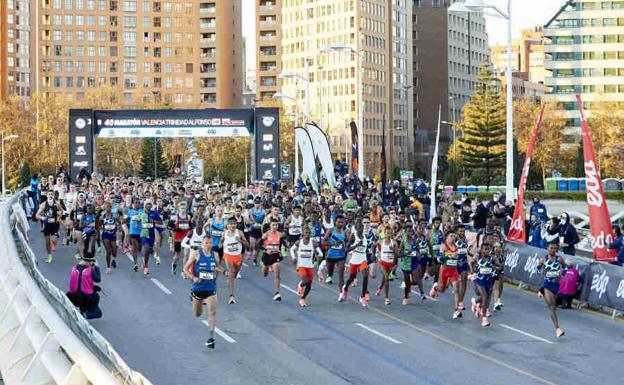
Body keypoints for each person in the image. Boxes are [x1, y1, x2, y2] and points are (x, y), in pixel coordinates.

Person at [184, 235, 224, 349]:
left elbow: (216, 267)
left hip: (211, 288)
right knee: (198, 314)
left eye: (210, 243)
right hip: (198, 288)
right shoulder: (196, 254)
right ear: (202, 244)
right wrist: (193, 278)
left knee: (212, 312)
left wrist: (224, 271)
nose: (208, 245)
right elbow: (185, 269)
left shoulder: (215, 255)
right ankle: (193, 296)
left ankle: (211, 338)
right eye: (206, 243)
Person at [536, 242, 566, 338]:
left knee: (554, 306)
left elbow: (565, 268)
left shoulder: (559, 259)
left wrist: (561, 275)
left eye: (554, 248)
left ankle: (541, 291)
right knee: (552, 307)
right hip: (547, 284)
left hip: (556, 285)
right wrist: (542, 271)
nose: (553, 250)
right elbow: (537, 270)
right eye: (551, 248)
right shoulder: (543, 259)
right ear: (547, 249)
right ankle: (557, 329)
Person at [430, 232, 463, 319]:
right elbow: (439, 258)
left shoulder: (456, 247)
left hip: (453, 271)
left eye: (454, 236)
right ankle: (435, 288)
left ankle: (456, 310)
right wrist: (449, 257)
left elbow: (457, 258)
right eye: (451, 236)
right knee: (442, 290)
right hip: (444, 270)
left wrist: (458, 261)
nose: (453, 238)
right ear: (447, 238)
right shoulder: (443, 246)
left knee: (456, 289)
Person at [220, 217, 249, 304]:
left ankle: (231, 277)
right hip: (228, 255)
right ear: (227, 226)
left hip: (238, 256)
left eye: (234, 224)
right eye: (230, 224)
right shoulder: (224, 233)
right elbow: (220, 245)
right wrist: (220, 243)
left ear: (236, 225)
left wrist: (240, 240)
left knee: (235, 274)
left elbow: (247, 244)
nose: (232, 226)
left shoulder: (239, 233)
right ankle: (232, 296)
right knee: (231, 273)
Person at [290, 227, 322, 307]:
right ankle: (300, 285)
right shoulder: (299, 242)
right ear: (303, 233)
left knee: (309, 285)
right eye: (306, 233)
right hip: (301, 265)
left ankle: (302, 299)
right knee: (306, 281)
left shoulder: (313, 243)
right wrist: (294, 258)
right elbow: (291, 249)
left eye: (309, 233)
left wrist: (319, 256)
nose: (307, 234)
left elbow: (320, 253)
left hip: (310, 266)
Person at [341, 220, 370, 307]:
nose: (360, 229)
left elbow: (365, 248)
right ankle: (345, 289)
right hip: (354, 260)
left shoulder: (365, 237)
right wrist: (356, 245)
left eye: (361, 227)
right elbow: (346, 250)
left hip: (363, 260)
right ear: (356, 228)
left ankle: (362, 296)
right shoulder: (353, 236)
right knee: (352, 278)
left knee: (365, 275)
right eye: (358, 227)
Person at [66, 253, 102, 319]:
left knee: (85, 296)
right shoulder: (90, 270)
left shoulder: (74, 268)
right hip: (85, 297)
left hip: (72, 296)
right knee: (98, 313)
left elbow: (80, 281)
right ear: (91, 262)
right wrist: (97, 267)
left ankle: (82, 312)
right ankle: (83, 315)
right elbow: (98, 279)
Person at [469, 243, 497, 327]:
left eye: (488, 249)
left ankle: (476, 303)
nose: (486, 251)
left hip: (488, 281)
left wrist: (496, 266)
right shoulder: (478, 257)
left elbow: (497, 265)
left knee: (487, 297)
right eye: (485, 249)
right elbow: (471, 263)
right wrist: (472, 272)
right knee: (484, 296)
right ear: (481, 250)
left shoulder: (492, 258)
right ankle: (484, 318)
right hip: (479, 281)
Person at [261, 219, 284, 301]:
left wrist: (281, 250)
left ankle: (277, 293)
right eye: (273, 225)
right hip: (267, 255)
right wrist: (265, 249)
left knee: (277, 274)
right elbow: (258, 245)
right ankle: (264, 265)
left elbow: (281, 244)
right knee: (265, 274)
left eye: (276, 225)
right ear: (270, 226)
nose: (275, 227)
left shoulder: (280, 234)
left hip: (275, 255)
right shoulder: (266, 234)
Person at [323, 214, 349, 288]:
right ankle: (329, 276)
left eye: (342, 222)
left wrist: (346, 246)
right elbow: (323, 242)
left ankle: (342, 290)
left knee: (341, 274)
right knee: (330, 271)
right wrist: (332, 243)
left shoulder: (345, 232)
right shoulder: (331, 230)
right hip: (331, 255)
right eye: (338, 222)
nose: (340, 224)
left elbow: (347, 243)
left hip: (341, 256)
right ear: (335, 222)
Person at [36, 190, 61, 263]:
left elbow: (62, 211)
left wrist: (59, 215)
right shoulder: (43, 204)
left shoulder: (56, 203)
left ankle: (55, 237)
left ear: (53, 196)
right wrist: (42, 218)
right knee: (47, 242)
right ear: (47, 195)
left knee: (53, 239)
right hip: (47, 225)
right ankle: (49, 256)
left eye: (51, 194)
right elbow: (37, 215)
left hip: (55, 225)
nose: (50, 195)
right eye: (49, 194)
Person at [376, 226, 398, 305]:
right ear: (384, 233)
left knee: (384, 279)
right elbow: (373, 246)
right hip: (382, 262)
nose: (389, 234)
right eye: (387, 233)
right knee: (386, 277)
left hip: (390, 263)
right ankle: (386, 298)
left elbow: (397, 255)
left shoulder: (394, 243)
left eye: (390, 233)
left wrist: (395, 265)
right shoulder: (381, 241)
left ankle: (380, 288)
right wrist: (375, 254)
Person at [100, 201, 120, 274]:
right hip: (105, 234)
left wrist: (119, 227)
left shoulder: (114, 216)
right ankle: (108, 267)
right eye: (107, 207)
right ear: (104, 207)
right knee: (108, 251)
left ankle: (113, 259)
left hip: (113, 234)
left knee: (114, 250)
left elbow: (119, 222)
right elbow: (98, 224)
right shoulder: (102, 216)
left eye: (109, 207)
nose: (108, 208)